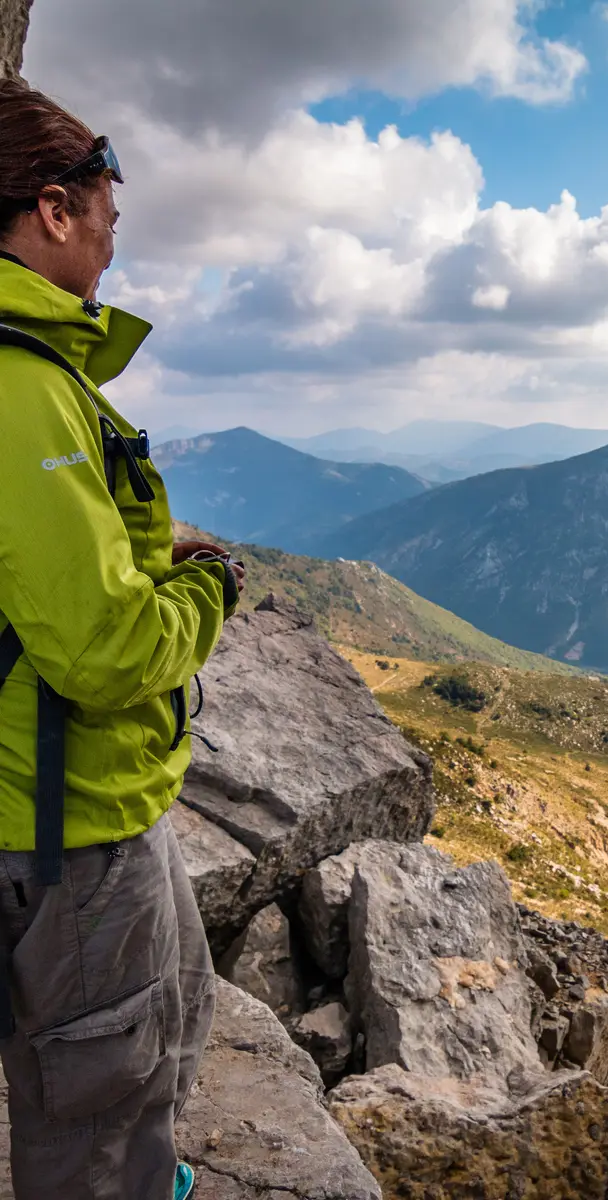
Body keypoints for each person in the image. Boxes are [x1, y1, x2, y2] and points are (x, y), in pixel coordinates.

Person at [0, 80, 244, 1200]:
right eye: (106, 220)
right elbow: (98, 651)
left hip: (52, 807)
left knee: (154, 1029)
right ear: (53, 210)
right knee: (98, 1099)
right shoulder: (22, 390)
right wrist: (209, 597)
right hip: (64, 825)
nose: (110, 247)